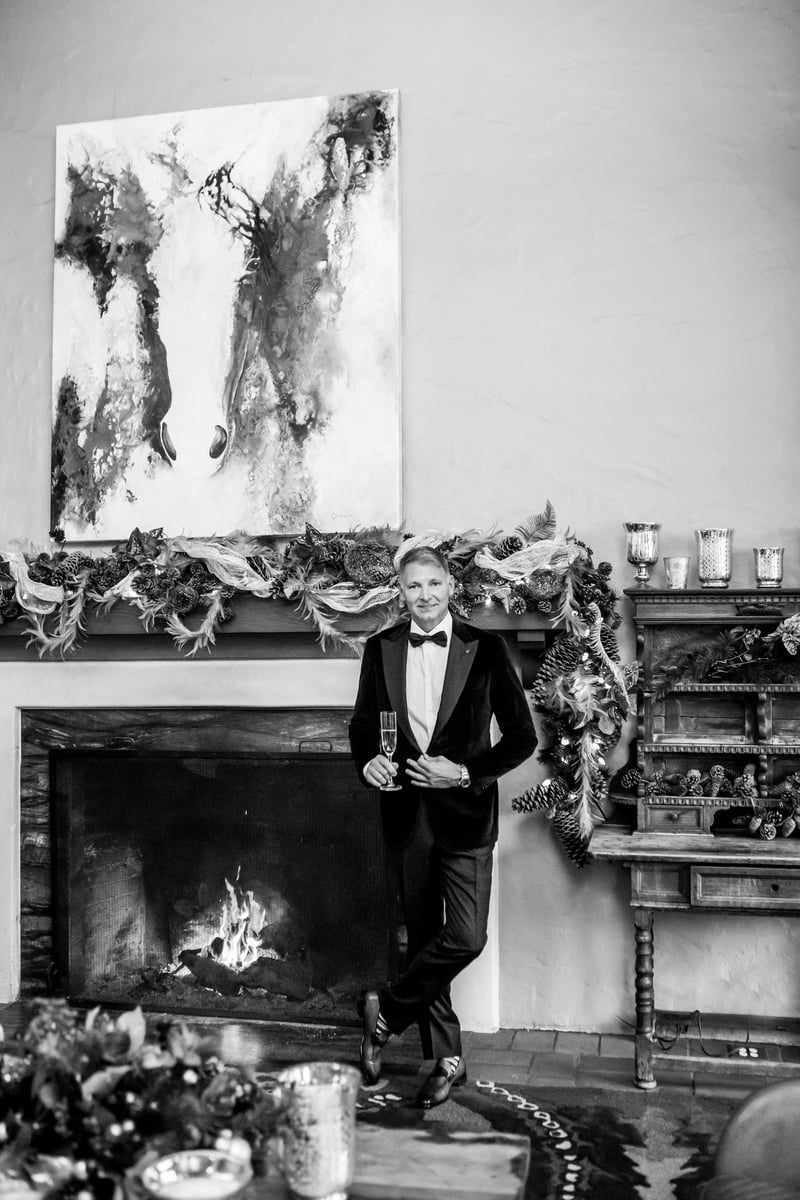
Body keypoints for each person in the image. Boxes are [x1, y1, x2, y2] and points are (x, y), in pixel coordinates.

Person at [348, 543, 537, 1107]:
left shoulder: (487, 648)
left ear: (451, 586)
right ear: (401, 593)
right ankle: (447, 1059)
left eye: (433, 584)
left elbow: (522, 738)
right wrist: (368, 762)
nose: (424, 595)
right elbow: (362, 726)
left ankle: (385, 1013)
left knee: (466, 936)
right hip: (406, 815)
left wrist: (464, 773)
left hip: (466, 816)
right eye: (413, 586)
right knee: (425, 938)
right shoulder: (381, 648)